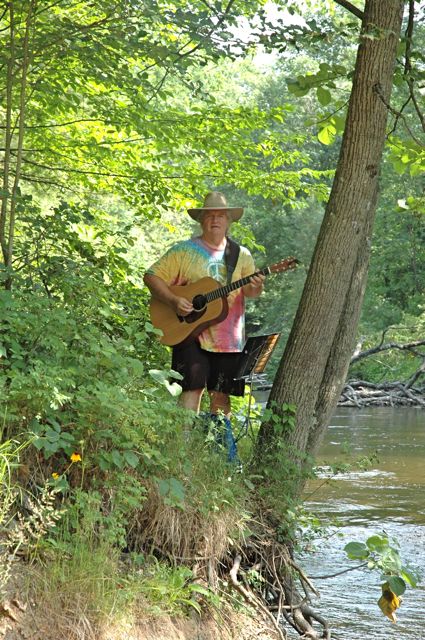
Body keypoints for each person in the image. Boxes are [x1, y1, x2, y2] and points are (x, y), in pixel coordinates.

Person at [143, 191, 264, 423]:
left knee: (221, 396)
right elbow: (151, 276)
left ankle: (220, 451)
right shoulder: (183, 251)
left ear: (229, 221)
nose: (215, 220)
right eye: (210, 215)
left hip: (229, 340)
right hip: (189, 333)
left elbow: (251, 293)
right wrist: (173, 300)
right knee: (190, 391)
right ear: (201, 220)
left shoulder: (241, 255)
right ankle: (185, 449)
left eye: (220, 216)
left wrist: (257, 286)